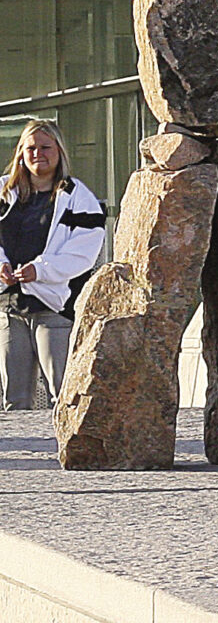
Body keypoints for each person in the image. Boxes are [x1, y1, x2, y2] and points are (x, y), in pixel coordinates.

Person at [0, 120, 104, 409]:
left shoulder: (77, 196)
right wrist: (2, 265)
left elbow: (84, 252)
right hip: (10, 307)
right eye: (30, 148)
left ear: (59, 151)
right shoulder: (3, 192)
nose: (38, 154)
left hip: (55, 308)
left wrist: (40, 270)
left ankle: (67, 451)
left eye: (45, 147)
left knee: (63, 395)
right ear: (20, 152)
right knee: (15, 399)